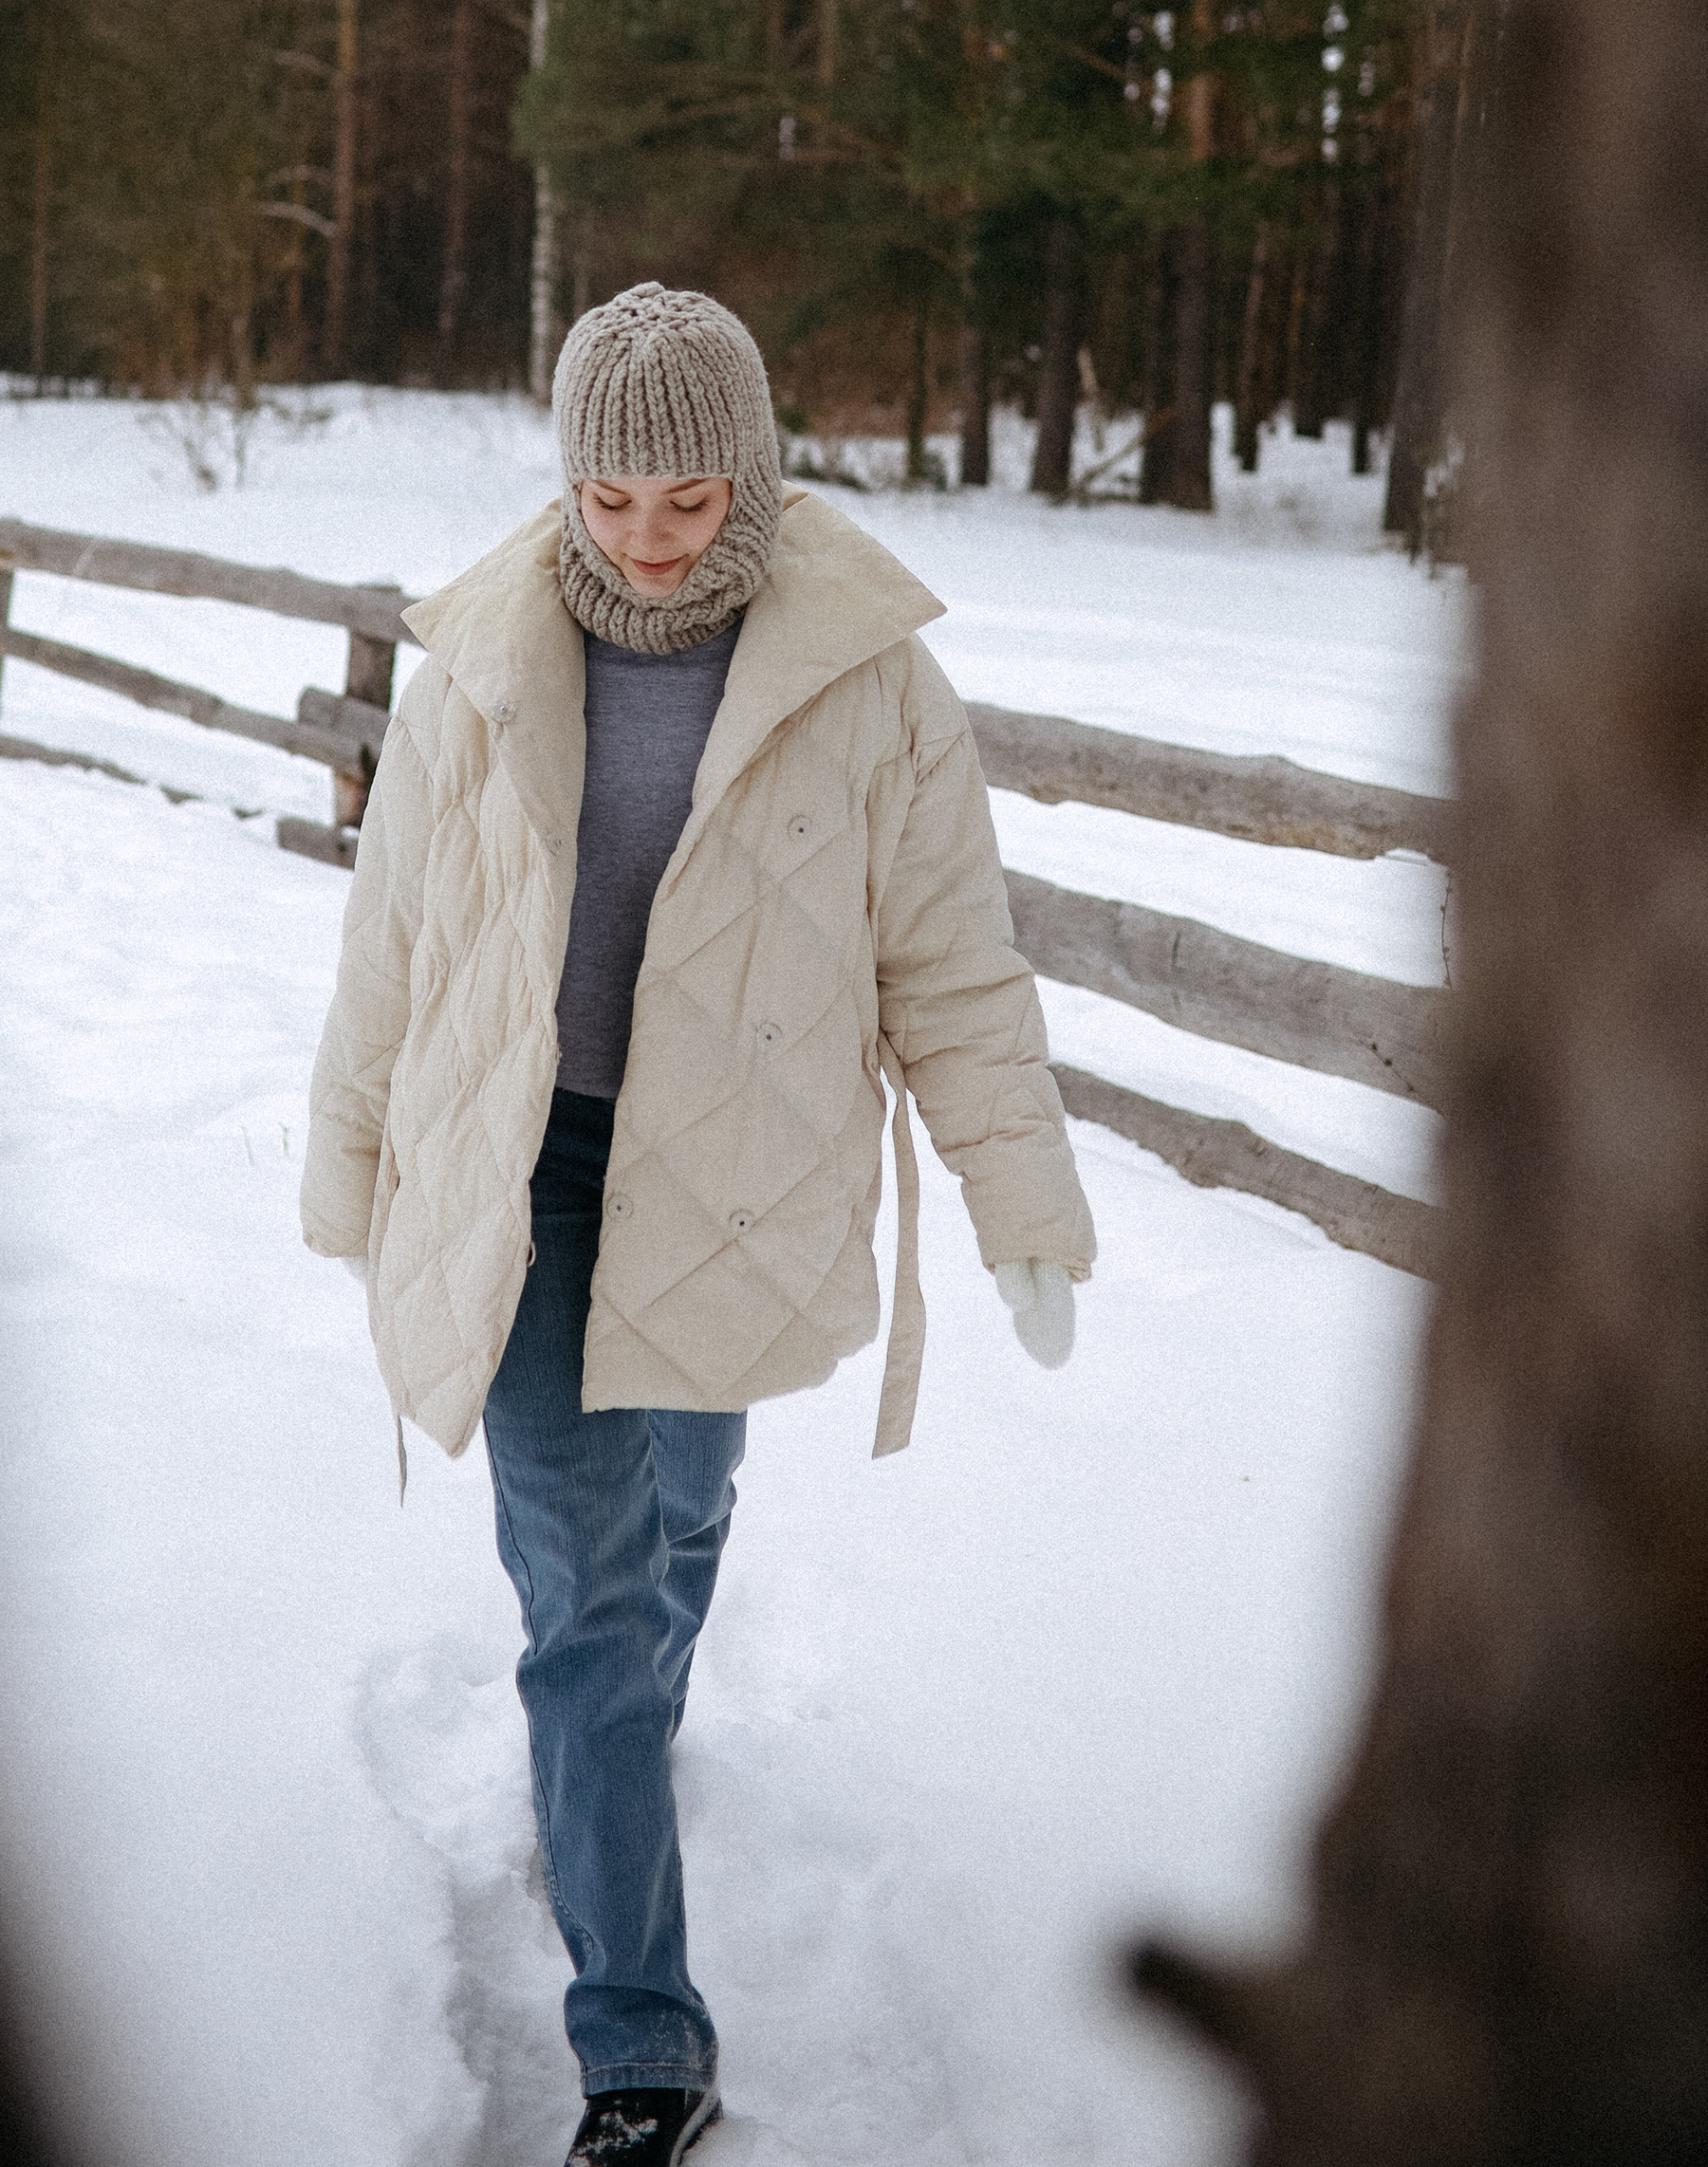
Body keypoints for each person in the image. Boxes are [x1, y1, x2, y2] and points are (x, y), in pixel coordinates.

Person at [301, 284, 1096, 2166]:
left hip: (735, 1179)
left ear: (748, 473)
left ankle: (609, 1777)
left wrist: (1017, 1200)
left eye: (682, 496)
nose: (646, 537)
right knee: (583, 1612)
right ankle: (639, 2046)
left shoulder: (865, 681)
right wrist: (348, 1160)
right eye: (608, 495)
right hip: (520, 1171)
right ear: (566, 479)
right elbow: (393, 940)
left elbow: (951, 969)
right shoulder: (479, 665)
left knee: (670, 1531)